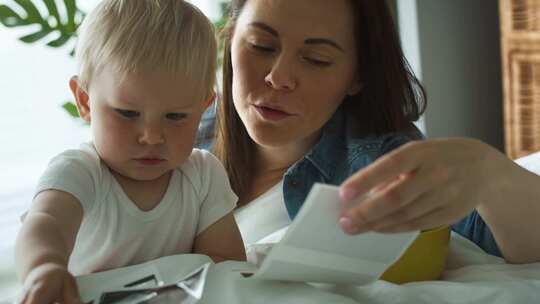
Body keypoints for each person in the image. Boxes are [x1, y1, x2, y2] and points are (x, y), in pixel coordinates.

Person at [206, 0, 540, 275]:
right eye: (261, 46)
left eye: (316, 60)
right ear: (230, 41)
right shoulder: (177, 127)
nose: (278, 77)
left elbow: (518, 241)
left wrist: (489, 171)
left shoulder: (381, 166)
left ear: (357, 77)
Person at [15, 1, 245, 303]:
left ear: (204, 108)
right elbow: (46, 223)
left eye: (175, 116)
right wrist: (43, 267)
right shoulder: (80, 171)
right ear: (84, 102)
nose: (151, 137)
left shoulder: (203, 177)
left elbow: (226, 267)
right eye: (127, 113)